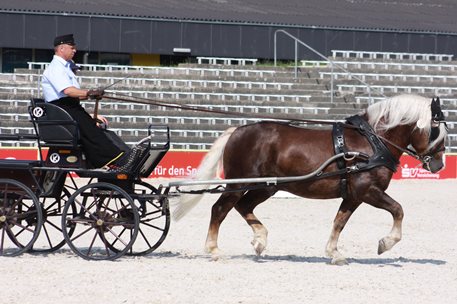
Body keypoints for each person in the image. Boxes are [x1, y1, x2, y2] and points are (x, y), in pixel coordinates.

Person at [41, 34, 138, 172]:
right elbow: (68, 91)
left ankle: (123, 154)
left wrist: (91, 96)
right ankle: (116, 159)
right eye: (72, 47)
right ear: (61, 48)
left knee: (97, 127)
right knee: (91, 131)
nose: (74, 50)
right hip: (62, 109)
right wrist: (88, 93)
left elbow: (73, 95)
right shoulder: (56, 68)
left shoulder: (66, 67)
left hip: (70, 106)